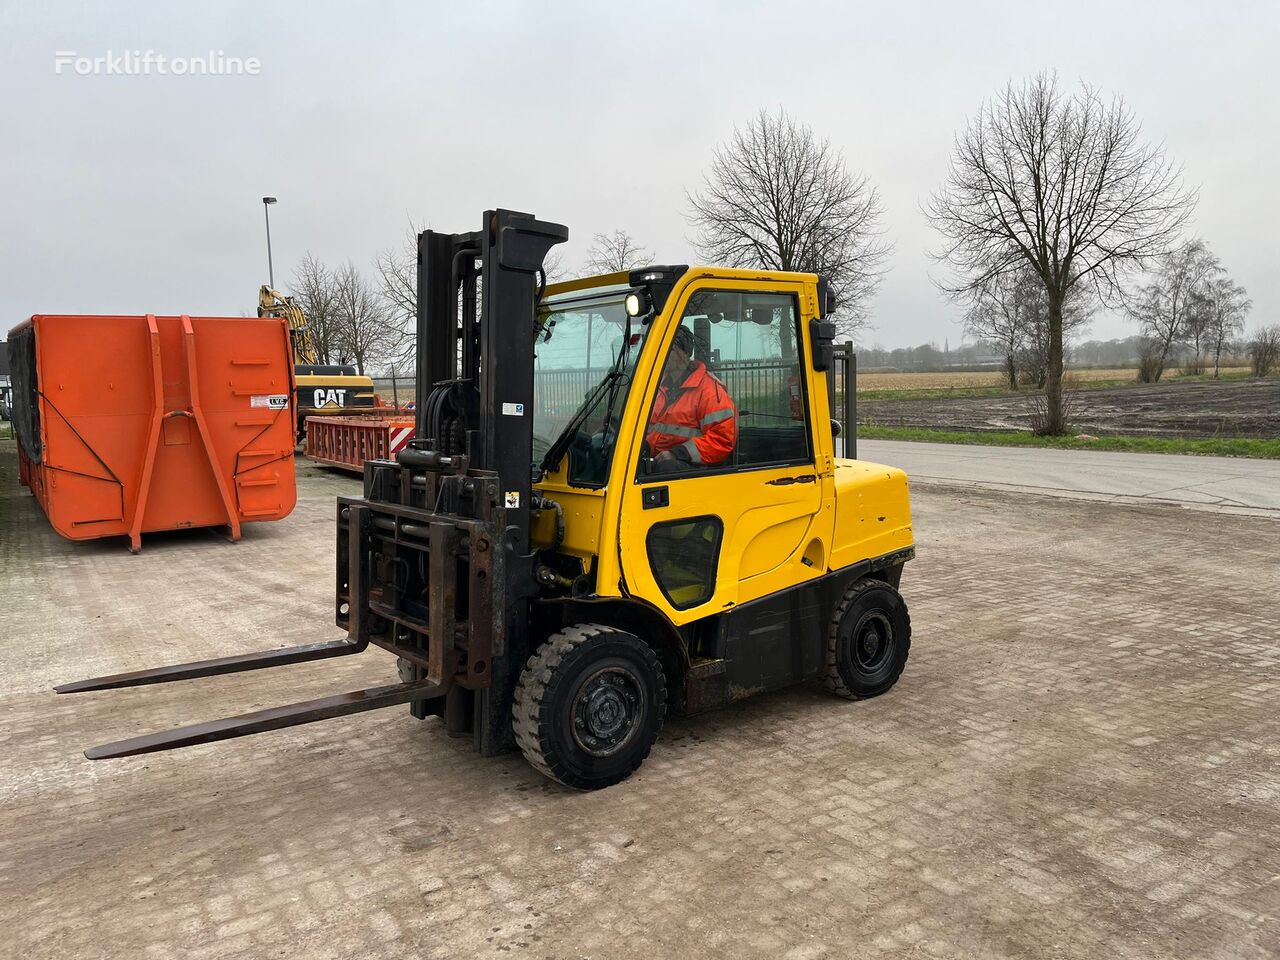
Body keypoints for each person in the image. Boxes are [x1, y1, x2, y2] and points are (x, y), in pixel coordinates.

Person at [646, 325, 736, 471]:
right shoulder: (659, 387)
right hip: (657, 460)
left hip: (691, 467)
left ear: (685, 352)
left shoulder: (710, 391)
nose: (663, 355)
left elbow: (721, 440)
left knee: (666, 468)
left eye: (670, 350)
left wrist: (677, 453)